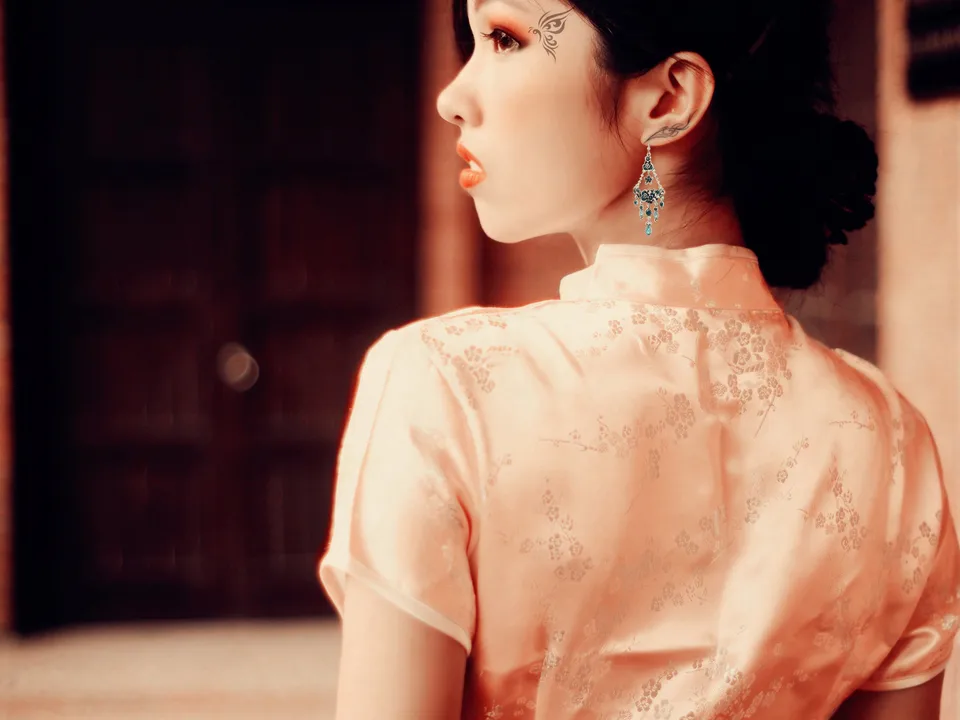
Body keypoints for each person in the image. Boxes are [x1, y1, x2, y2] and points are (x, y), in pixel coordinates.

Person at [318, 0, 960, 717]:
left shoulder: (444, 384)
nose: (452, 97)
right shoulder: (892, 441)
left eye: (504, 39)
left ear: (668, 99)